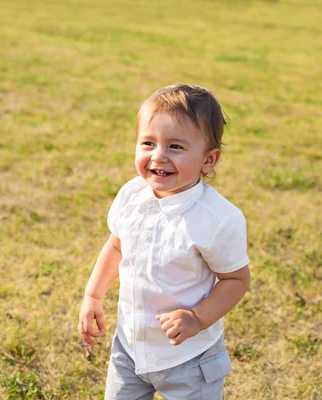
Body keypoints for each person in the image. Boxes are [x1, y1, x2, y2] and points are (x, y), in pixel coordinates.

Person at [78, 84, 250, 399]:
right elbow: (117, 245)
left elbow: (236, 278)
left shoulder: (218, 219)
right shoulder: (131, 195)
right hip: (130, 347)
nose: (159, 156)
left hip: (189, 357)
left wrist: (197, 318)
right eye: (148, 143)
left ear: (209, 160)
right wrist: (93, 295)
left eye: (175, 147)